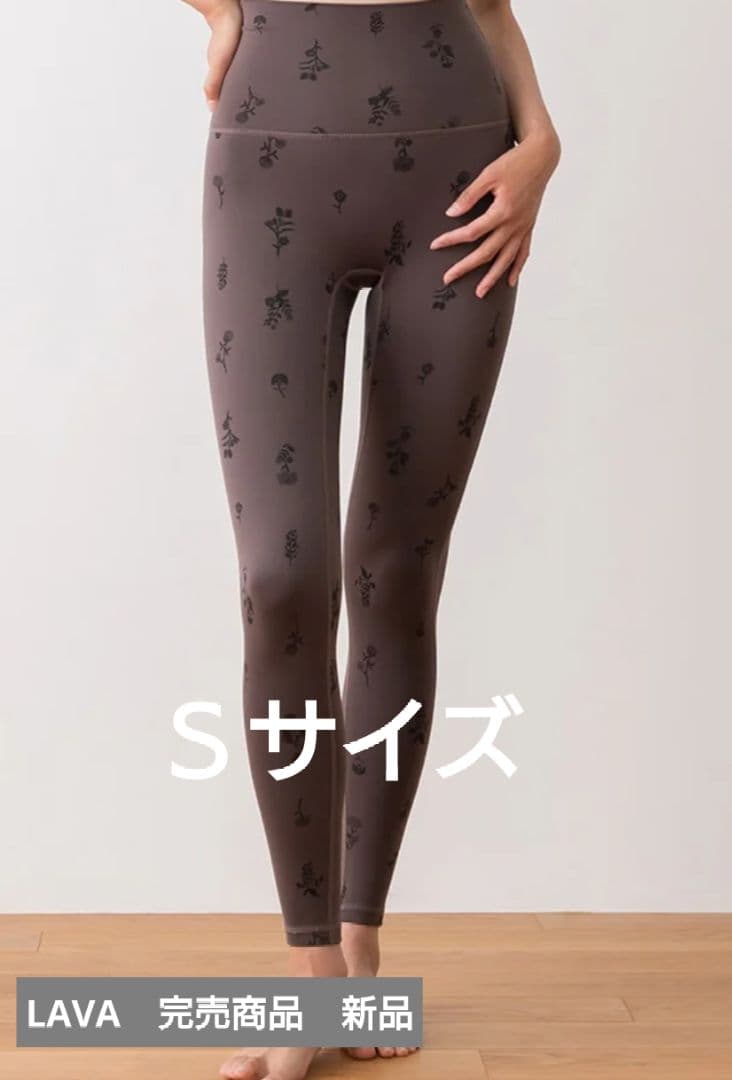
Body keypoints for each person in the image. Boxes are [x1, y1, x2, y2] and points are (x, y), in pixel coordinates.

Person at [181, 0, 560, 1076]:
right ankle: (311, 979)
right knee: (281, 575)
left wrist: (542, 143)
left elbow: (489, 6)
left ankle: (356, 945)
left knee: (395, 576)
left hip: (458, 177)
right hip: (269, 166)